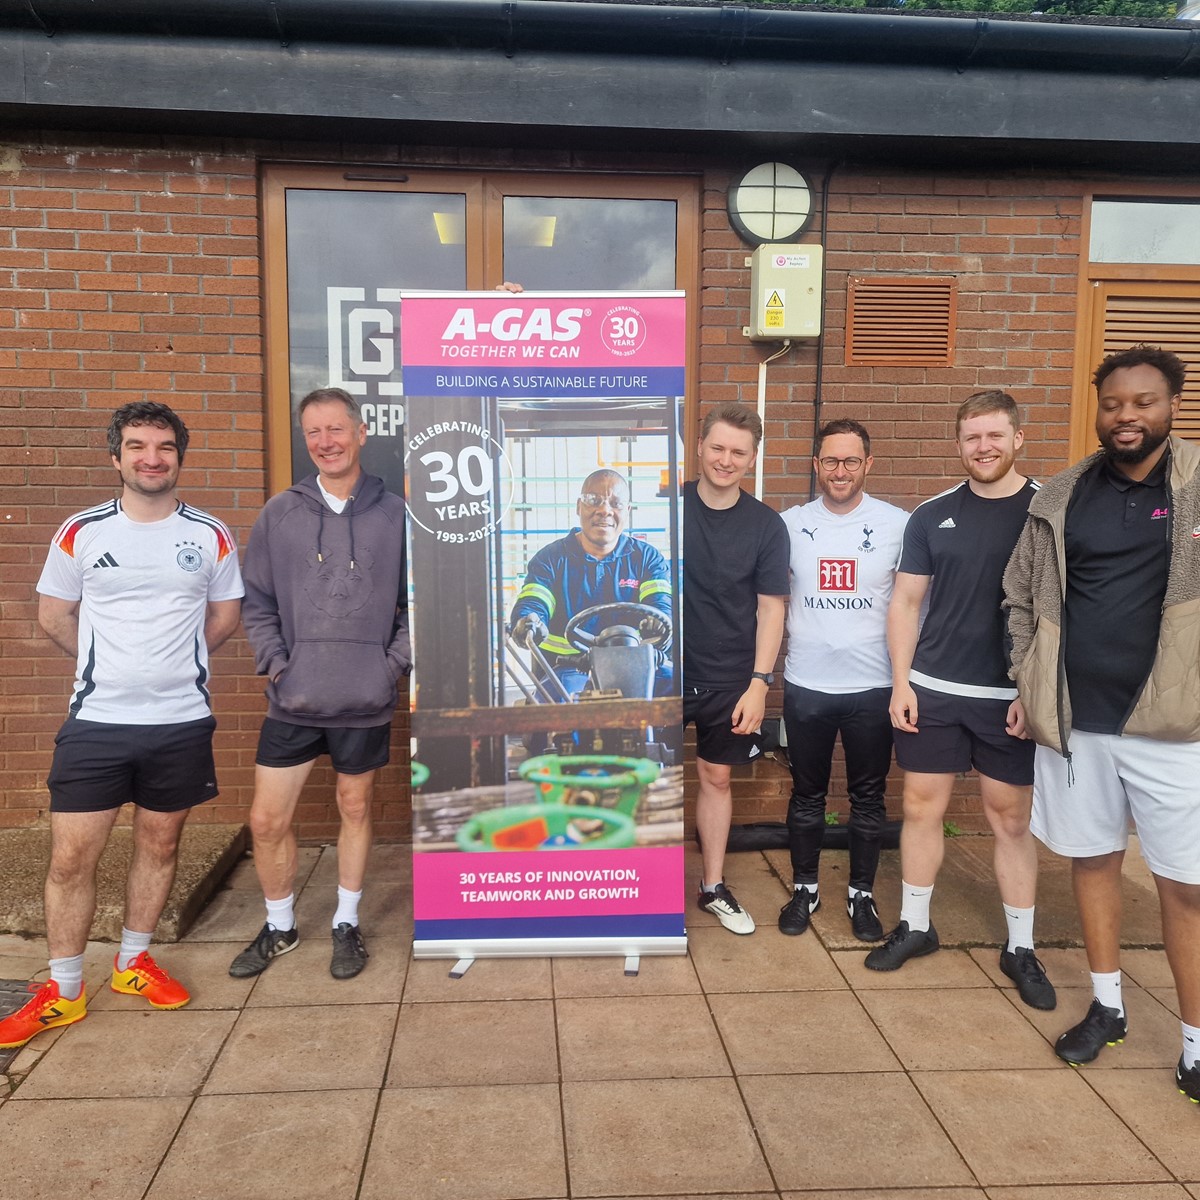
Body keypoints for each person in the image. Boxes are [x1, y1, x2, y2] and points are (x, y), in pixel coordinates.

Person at [0, 402, 243, 1049]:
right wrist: (110, 668)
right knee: (71, 858)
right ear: (117, 458)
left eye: (163, 446)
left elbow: (224, 617)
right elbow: (54, 616)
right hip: (97, 722)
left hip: (180, 722)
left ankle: (133, 963)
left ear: (178, 458)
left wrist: (171, 667)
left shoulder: (210, 534)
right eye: (137, 446)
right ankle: (66, 990)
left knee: (160, 847)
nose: (151, 457)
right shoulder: (81, 531)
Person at [1004, 344, 1200, 1102]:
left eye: (1143, 402)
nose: (1127, 416)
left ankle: (1193, 1044)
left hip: (1173, 729)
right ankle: (1109, 1007)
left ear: (1171, 405)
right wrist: (1029, 672)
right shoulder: (1061, 495)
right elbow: (1019, 595)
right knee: (1093, 862)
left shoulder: (1194, 487)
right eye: (1114, 403)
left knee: (1184, 886)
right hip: (1077, 724)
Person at [865, 391, 1056, 1012]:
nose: (984, 448)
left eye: (995, 436)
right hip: (934, 690)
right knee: (921, 808)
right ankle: (917, 927)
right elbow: (905, 603)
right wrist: (901, 683)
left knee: (1009, 819)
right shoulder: (932, 514)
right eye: (972, 438)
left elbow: (1060, 613)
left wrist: (1034, 691)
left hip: (1010, 698)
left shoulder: (1049, 511)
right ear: (958, 445)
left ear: (1018, 438)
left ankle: (1021, 948)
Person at [229, 386, 410, 982]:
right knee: (266, 820)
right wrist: (277, 662)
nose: (325, 442)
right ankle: (280, 926)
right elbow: (255, 600)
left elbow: (420, 604)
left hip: (365, 697)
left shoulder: (396, 515)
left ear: (361, 434)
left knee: (355, 806)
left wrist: (392, 665)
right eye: (313, 432)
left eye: (336, 429)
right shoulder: (280, 513)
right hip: (295, 697)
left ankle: (346, 922)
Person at [778, 419, 908, 941]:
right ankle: (804, 888)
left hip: (873, 686)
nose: (840, 471)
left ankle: (861, 894)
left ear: (868, 464)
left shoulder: (899, 524)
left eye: (851, 461)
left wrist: (904, 680)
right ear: (816, 464)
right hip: (806, 684)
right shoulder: (788, 524)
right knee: (806, 793)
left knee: (869, 797)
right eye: (830, 461)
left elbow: (912, 605)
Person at [684, 403, 790, 935]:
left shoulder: (766, 526)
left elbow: (772, 608)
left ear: (752, 458)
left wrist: (759, 682)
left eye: (739, 452)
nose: (726, 460)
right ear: (699, 446)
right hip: (655, 672)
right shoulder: (662, 507)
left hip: (729, 675)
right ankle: (628, 883)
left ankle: (712, 887)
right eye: (718, 448)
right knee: (637, 777)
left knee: (716, 776)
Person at [509, 468, 673, 698]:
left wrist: (657, 622)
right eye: (593, 500)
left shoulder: (647, 559)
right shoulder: (551, 559)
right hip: (568, 668)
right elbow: (534, 602)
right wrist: (528, 621)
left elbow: (661, 606)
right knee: (555, 705)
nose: (604, 510)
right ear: (579, 507)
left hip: (637, 666)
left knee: (679, 687)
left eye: (615, 503)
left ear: (627, 511)